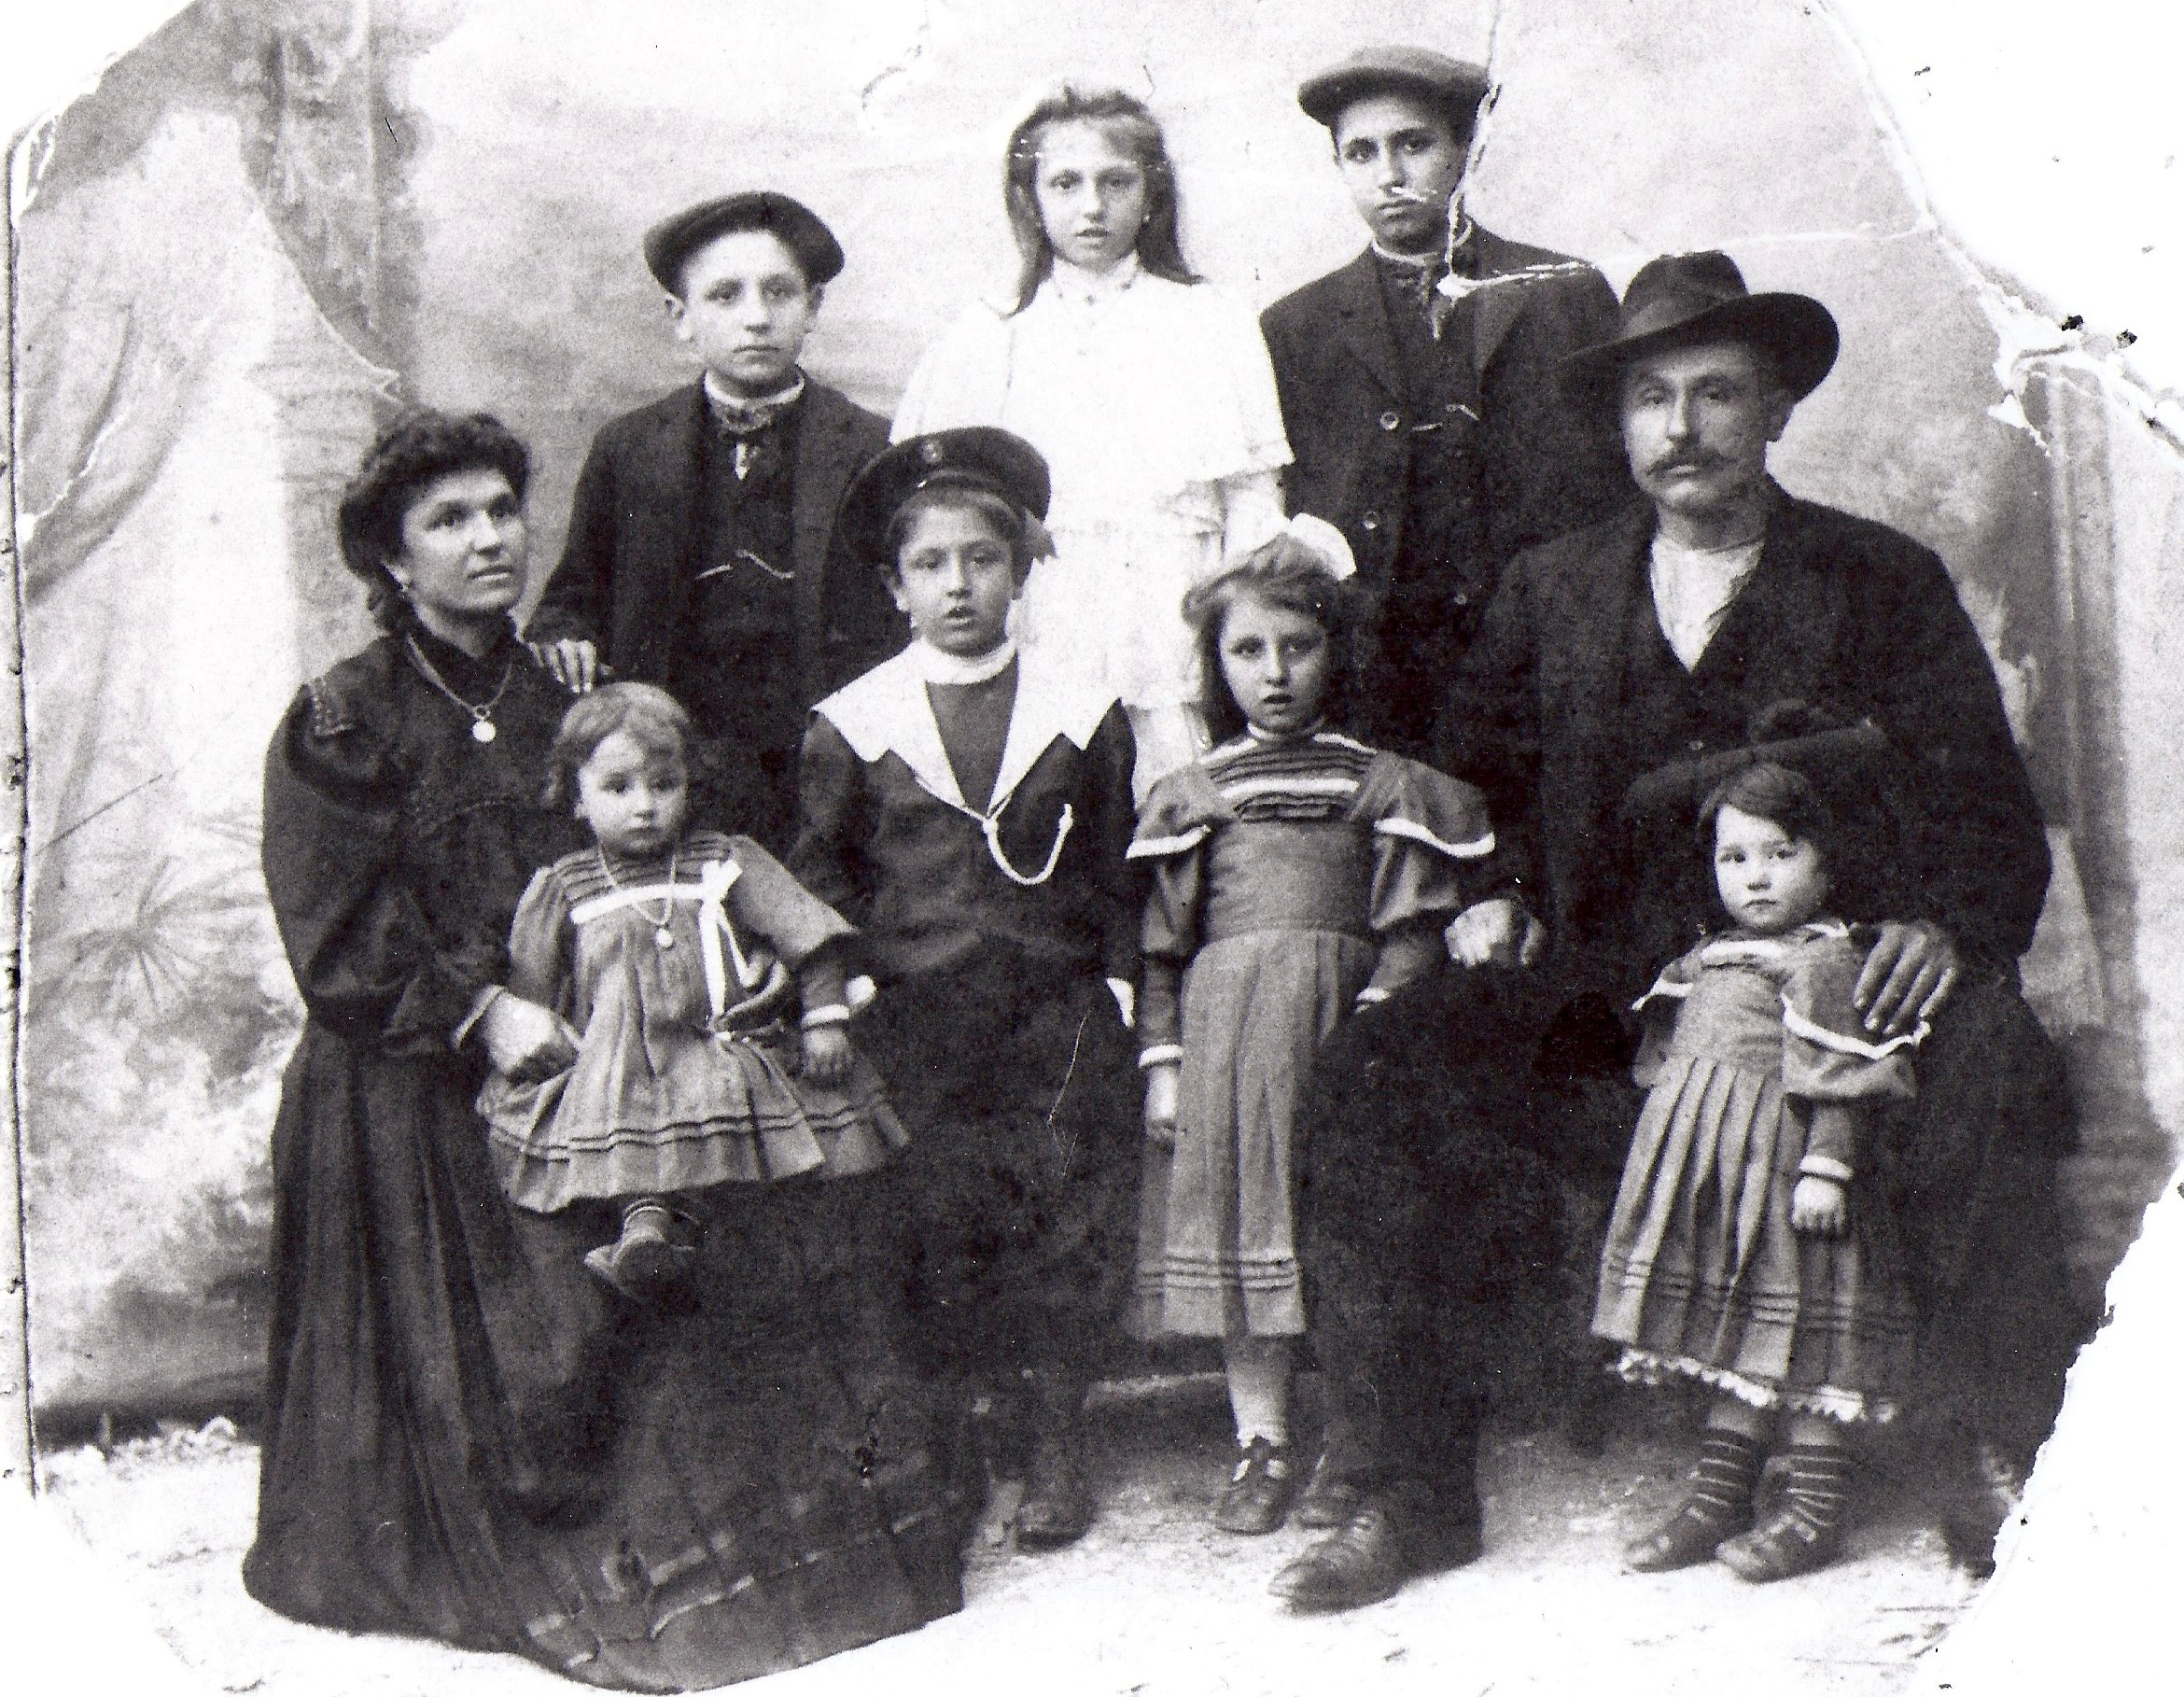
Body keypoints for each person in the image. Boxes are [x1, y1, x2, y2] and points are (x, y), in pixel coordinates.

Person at [1278, 251, 2080, 1609]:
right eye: (1651, 398)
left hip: (1832, 990)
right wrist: (1497, 889)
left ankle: (2021, 1457)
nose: (1683, 427)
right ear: (1619, 423)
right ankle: (1405, 1486)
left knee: (1995, 1060)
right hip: (1616, 1002)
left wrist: (1944, 927)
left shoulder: (1878, 578)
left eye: (1718, 393)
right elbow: (1480, 782)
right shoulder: (1554, 587)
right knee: (1379, 1068)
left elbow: (1986, 808)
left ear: (1776, 410)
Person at [248, 410, 968, 1687]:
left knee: (742, 1205)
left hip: (615, 1043)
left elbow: (689, 849)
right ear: (393, 561)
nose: (489, 539)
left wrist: (738, 963)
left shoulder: (574, 696)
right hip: (413, 1064)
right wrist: (485, 1011)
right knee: (549, 1307)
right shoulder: (344, 717)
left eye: (500, 510)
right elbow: (337, 929)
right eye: (448, 522)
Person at [791, 428, 1142, 1551]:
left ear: (1021, 570)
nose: (959, 585)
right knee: (936, 1220)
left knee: (1064, 1212)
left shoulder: (1080, 712)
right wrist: (839, 986)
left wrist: (1125, 991)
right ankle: (956, 1436)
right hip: (919, 1012)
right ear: (894, 587)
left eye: (983, 559)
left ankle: (1055, 1433)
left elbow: (1118, 869)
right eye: (931, 564)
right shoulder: (857, 723)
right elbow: (821, 877)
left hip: (1053, 1008)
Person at [1127, 519, 1497, 1536]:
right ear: (1217, 664)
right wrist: (1165, 1066)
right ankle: (1260, 1439)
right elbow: (1161, 949)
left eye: (1299, 646)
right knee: (1245, 1233)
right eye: (1247, 650)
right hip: (1226, 1044)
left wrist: (1370, 1035)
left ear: (1337, 652)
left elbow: (1411, 932)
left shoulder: (1380, 783)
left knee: (1340, 1238)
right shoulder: (1193, 796)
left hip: (1342, 1039)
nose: (1275, 672)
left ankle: (1354, 1440)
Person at [892, 85, 1292, 791]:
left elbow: (1252, 504)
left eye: (1116, 182)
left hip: (1171, 611)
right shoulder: (989, 336)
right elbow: (935, 512)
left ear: (1152, 193)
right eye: (1066, 184)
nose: (1092, 207)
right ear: (1030, 198)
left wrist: (1237, 637)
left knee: (1173, 786)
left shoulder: (1211, 321)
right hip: (1045, 608)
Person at [477, 681, 904, 1302]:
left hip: (717, 1046)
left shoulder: (723, 861)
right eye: (618, 788)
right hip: (619, 1068)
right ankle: (647, 1229)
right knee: (622, 1119)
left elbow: (807, 936)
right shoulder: (564, 888)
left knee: (750, 1152)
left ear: (689, 785)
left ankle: (695, 1238)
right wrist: (536, 1055)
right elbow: (532, 996)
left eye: (663, 784)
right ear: (576, 797)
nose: (644, 806)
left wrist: (824, 1019)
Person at [1598, 761, 1920, 1582]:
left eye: (1780, 853)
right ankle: (1718, 1498)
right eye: (1734, 858)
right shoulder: (1711, 956)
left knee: (1806, 1335)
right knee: (1739, 1333)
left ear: (1827, 866)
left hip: (1789, 1178)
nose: (1756, 876)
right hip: (1723, 1182)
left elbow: (1842, 1074)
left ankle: (1814, 1509)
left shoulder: (1822, 960)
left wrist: (1827, 1166)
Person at [1259, 47, 1630, 759]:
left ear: (1465, 150)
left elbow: (1618, 489)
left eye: (1414, 145)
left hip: (1547, 662)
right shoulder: (1295, 330)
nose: (1389, 176)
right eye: (1361, 153)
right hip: (1381, 681)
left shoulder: (1564, 292)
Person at [525, 192, 896, 850]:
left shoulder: (871, 447)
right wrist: (565, 631)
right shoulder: (630, 448)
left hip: (824, 765)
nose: (756, 318)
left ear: (813, 307)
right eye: (726, 296)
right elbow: (575, 593)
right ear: (681, 317)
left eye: (779, 292)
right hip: (673, 771)